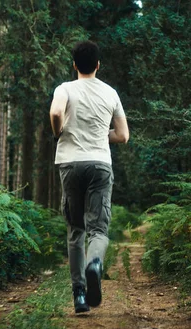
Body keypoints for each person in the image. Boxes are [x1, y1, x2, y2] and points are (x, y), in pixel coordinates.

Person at [49, 40, 130, 313]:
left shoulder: (65, 89)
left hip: (70, 164)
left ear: (74, 65)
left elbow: (56, 112)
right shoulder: (110, 93)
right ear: (98, 65)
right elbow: (123, 135)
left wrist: (59, 131)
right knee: (98, 228)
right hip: (99, 164)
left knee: (76, 230)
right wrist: (100, 136)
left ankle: (79, 295)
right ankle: (95, 263)